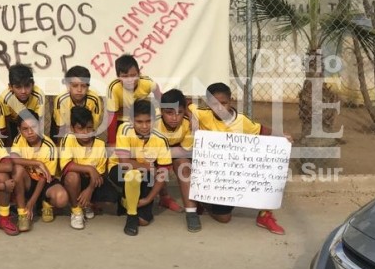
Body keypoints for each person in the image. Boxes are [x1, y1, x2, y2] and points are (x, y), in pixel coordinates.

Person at [189, 82, 292, 235]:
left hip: (235, 174)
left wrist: (282, 136)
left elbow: (262, 130)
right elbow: (187, 105)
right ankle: (203, 200)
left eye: (223, 103)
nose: (220, 108)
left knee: (268, 163)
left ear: (230, 101)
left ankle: (265, 215)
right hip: (213, 177)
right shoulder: (203, 114)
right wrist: (193, 122)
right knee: (224, 218)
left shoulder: (242, 121)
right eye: (214, 104)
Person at [107, 99, 172, 236]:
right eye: (139, 122)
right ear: (131, 120)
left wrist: (148, 199)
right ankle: (131, 214)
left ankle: (125, 201)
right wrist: (148, 167)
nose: (144, 126)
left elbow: (162, 173)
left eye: (148, 121)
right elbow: (124, 162)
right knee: (134, 175)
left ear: (155, 120)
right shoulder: (124, 129)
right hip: (119, 170)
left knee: (143, 221)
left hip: (145, 176)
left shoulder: (160, 139)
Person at [10, 110, 70, 232]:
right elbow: (13, 159)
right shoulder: (18, 140)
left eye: (33, 127)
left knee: (62, 198)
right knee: (18, 168)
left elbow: (44, 178)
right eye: (25, 129)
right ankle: (23, 213)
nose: (30, 132)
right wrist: (37, 163)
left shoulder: (49, 146)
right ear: (19, 130)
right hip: (28, 181)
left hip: (46, 182)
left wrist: (32, 201)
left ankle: (46, 203)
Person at [60, 106, 111, 226]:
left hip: (92, 181)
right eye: (80, 129)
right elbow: (66, 166)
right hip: (75, 180)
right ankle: (76, 211)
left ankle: (87, 204)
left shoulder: (100, 144)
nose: (85, 133)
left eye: (89, 128)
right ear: (72, 128)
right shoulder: (68, 139)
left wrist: (89, 190)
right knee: (72, 176)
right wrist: (90, 168)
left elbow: (100, 174)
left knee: (110, 199)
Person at [157, 89, 198, 232]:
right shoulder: (153, 122)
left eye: (179, 112)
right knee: (153, 165)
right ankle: (163, 197)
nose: (174, 117)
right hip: (155, 153)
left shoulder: (188, 123)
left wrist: (190, 115)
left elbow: (184, 150)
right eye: (169, 113)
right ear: (161, 111)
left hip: (175, 150)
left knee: (184, 165)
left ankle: (191, 212)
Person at [105, 54, 161, 145]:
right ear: (118, 77)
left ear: (139, 73)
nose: (130, 80)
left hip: (144, 118)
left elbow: (161, 99)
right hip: (124, 120)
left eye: (133, 75)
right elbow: (112, 116)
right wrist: (112, 142)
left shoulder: (147, 82)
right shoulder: (113, 88)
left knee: (158, 113)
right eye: (125, 76)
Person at [51, 66, 103, 141]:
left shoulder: (94, 100)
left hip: (85, 130)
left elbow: (93, 128)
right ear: (68, 86)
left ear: (88, 86)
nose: (79, 90)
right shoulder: (61, 100)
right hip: (65, 129)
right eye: (75, 86)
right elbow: (61, 129)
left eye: (83, 86)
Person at [0, 64, 45, 146]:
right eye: (18, 87)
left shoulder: (39, 95)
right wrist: (9, 143)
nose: (23, 91)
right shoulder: (5, 98)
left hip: (32, 121)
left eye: (27, 86)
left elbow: (39, 122)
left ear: (33, 84)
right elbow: (7, 122)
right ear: (10, 87)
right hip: (13, 121)